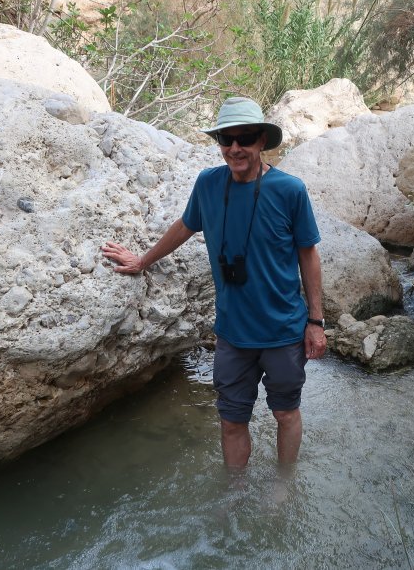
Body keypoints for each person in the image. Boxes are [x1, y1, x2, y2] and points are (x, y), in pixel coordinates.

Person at [102, 96, 326, 470]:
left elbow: (308, 255)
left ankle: (284, 485)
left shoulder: (290, 190)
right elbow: (186, 226)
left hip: (283, 330)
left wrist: (316, 322)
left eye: (245, 138)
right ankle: (235, 492)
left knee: (285, 414)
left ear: (261, 142)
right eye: (226, 139)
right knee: (231, 420)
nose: (235, 148)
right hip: (232, 334)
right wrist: (142, 260)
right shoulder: (208, 183)